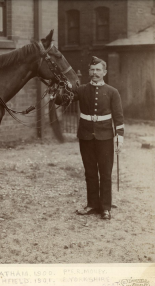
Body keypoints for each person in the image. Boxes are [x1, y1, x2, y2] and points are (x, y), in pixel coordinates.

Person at [60, 56, 124, 220]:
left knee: (105, 173)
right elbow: (64, 99)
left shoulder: (112, 92)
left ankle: (105, 207)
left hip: (105, 137)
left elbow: (118, 117)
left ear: (104, 72)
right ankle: (92, 205)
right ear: (89, 71)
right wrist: (58, 90)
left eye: (98, 70)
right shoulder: (81, 90)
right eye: (92, 70)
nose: (95, 73)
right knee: (90, 172)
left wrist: (120, 137)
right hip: (86, 136)